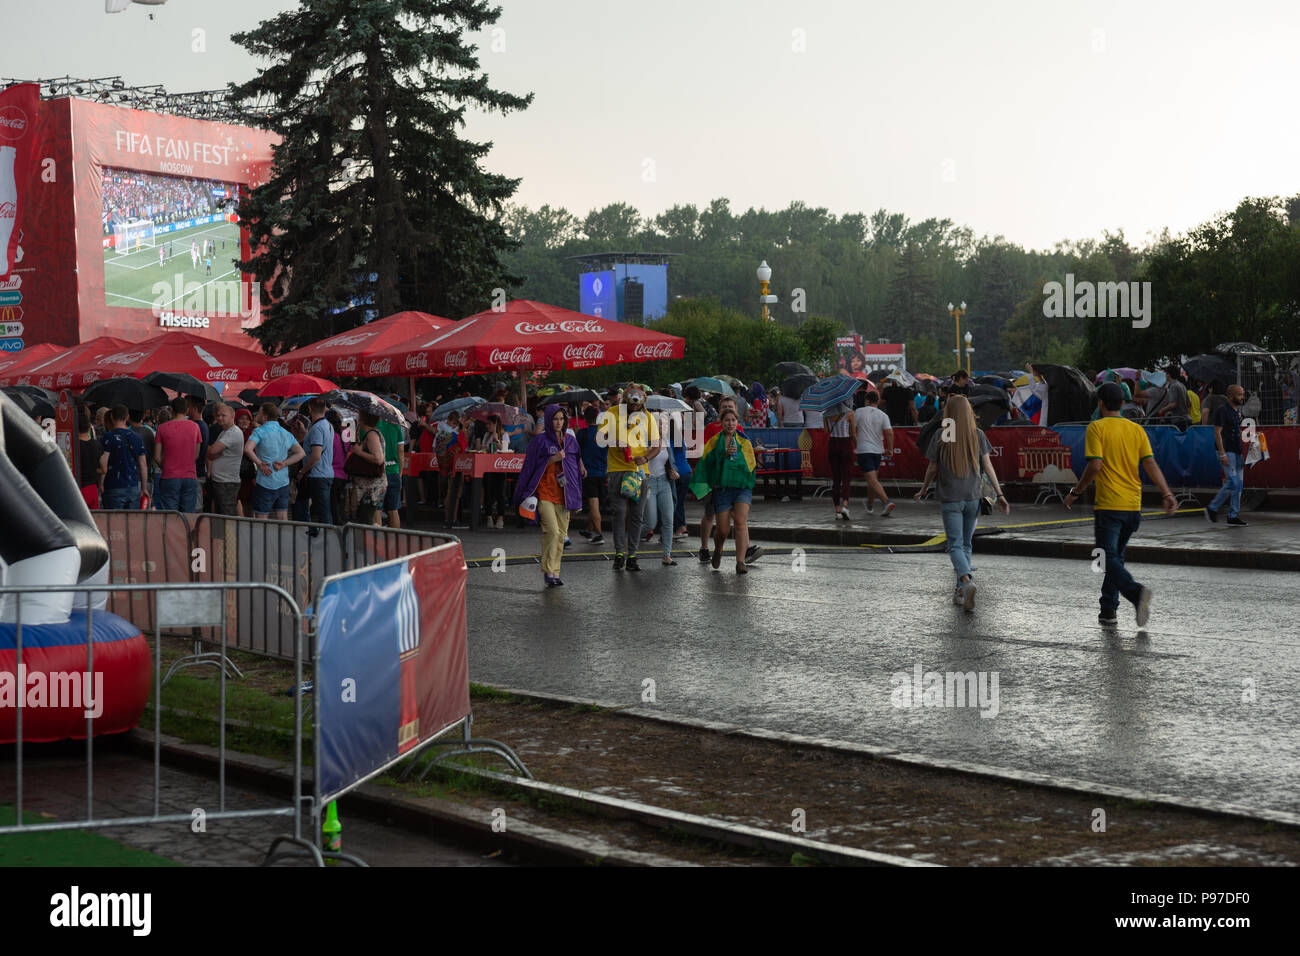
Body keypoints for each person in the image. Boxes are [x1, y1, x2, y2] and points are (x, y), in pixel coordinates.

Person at [1065, 382, 1179, 627]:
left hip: (1109, 505)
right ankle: (1108, 609)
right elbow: (1150, 464)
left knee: (1104, 558)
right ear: (1122, 404)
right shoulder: (1136, 430)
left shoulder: (1097, 427)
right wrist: (1166, 493)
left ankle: (1136, 593)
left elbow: (1094, 466)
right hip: (1132, 505)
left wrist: (1076, 491)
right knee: (1114, 558)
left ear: (1101, 404)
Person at [914, 394, 1009, 610]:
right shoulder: (977, 434)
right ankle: (960, 591)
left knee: (954, 544)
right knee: (966, 544)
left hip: (950, 498)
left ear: (948, 413)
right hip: (973, 498)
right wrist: (1000, 495)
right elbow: (988, 466)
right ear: (968, 413)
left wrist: (923, 489)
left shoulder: (942, 434)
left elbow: (931, 468)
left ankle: (966, 581)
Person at [514, 404, 582, 587]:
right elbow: (529, 466)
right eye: (555, 419)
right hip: (544, 493)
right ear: (549, 420)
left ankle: (554, 571)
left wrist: (580, 472)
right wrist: (551, 460)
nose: (559, 422)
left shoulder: (570, 441)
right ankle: (549, 570)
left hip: (565, 494)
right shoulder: (540, 441)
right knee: (551, 531)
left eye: (562, 419)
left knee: (561, 536)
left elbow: (576, 464)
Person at [696, 395, 764, 565]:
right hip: (720, 487)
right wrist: (723, 455)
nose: (731, 423)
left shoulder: (743, 438)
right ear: (721, 416)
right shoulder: (713, 436)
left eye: (733, 419)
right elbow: (706, 460)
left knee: (740, 521)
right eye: (727, 420)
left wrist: (740, 460)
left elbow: (750, 465)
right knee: (722, 528)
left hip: (740, 487)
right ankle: (714, 548)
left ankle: (740, 562)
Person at [601, 384, 658, 572]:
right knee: (619, 513)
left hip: (639, 471)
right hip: (617, 469)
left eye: (638, 402)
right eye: (632, 401)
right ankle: (619, 554)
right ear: (625, 398)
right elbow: (600, 438)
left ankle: (632, 555)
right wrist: (614, 440)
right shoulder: (613, 412)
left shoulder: (648, 417)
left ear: (643, 400)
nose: (634, 406)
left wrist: (646, 458)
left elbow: (657, 445)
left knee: (637, 515)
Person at [245, 403, 304, 520]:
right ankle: (283, 539)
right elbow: (301, 453)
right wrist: (284, 463)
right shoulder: (286, 433)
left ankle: (263, 539)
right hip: (282, 481)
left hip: (264, 481)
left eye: (259, 413)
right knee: (282, 518)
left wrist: (259, 463)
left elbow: (247, 449)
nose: (257, 415)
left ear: (265, 416)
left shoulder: (259, 431)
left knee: (261, 518)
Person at [1205, 383, 1248, 526]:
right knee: (1232, 482)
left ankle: (1233, 515)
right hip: (1227, 451)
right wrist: (1222, 453)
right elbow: (1217, 432)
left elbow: (1235, 431)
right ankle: (1212, 508)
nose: (1242, 397)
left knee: (1239, 485)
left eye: (1242, 394)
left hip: (1237, 451)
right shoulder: (1222, 410)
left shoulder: (1236, 411)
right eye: (1239, 394)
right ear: (1231, 396)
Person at [154, 396, 202, 513]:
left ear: (171, 410)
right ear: (187, 410)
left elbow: (156, 456)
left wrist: (165, 466)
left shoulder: (162, 428)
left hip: (169, 476)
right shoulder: (195, 427)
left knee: (170, 515)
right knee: (188, 515)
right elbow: (196, 454)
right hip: (190, 476)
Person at [853, 389, 895, 516]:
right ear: (877, 401)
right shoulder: (883, 415)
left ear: (867, 400)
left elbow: (852, 429)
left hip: (864, 450)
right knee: (872, 480)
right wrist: (890, 449)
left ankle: (886, 502)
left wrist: (856, 442)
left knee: (872, 480)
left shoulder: (858, 412)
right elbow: (889, 432)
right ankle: (870, 504)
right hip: (878, 451)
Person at [296, 397, 335, 526]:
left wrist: (302, 470)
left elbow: (316, 455)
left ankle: (324, 538)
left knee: (321, 512)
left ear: (310, 409)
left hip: (317, 475)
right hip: (325, 473)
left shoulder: (318, 427)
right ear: (325, 409)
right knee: (319, 509)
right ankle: (314, 533)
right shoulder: (328, 425)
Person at [100, 405, 149, 510]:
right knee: (131, 523)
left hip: (113, 486)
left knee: (114, 523)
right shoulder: (137, 437)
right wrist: (144, 488)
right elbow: (143, 465)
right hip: (133, 487)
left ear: (112, 417)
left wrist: (101, 483)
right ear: (127, 417)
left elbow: (104, 461)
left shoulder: (107, 437)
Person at [347, 410, 389, 525]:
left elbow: (378, 459)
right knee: (368, 518)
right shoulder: (371, 434)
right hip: (371, 485)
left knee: (366, 519)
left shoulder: (372, 435)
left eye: (359, 416)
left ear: (364, 419)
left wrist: (358, 452)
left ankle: (374, 541)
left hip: (372, 487)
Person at [642, 438, 679, 566]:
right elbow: (640, 459)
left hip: (664, 482)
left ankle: (667, 555)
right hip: (649, 483)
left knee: (669, 520)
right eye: (659, 423)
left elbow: (671, 462)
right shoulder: (643, 440)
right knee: (650, 523)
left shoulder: (667, 441)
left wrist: (674, 472)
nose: (662, 426)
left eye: (664, 423)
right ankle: (630, 538)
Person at [206, 403, 245, 516]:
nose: (219, 418)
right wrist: (212, 453)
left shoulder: (233, 433)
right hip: (222, 481)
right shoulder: (225, 432)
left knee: (227, 516)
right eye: (218, 415)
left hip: (227, 482)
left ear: (232, 416)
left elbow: (211, 451)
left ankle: (230, 535)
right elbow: (210, 453)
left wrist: (212, 452)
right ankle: (223, 534)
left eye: (223, 415)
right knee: (221, 515)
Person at [577, 405, 607, 545]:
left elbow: (576, 454)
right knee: (596, 504)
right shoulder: (604, 433)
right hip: (604, 473)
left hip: (588, 474)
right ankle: (588, 530)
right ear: (598, 415)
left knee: (594, 506)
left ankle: (599, 534)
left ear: (584, 418)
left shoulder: (581, 433)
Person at [434, 411, 468, 529]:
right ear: (455, 422)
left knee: (448, 493)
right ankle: (452, 520)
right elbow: (463, 446)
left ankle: (447, 519)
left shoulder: (441, 433)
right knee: (454, 493)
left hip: (443, 465)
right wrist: (463, 430)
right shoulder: (454, 434)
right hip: (454, 466)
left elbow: (435, 448)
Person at [477, 413, 511, 529]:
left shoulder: (504, 435)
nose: (487, 426)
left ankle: (501, 517)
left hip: (500, 466)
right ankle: (489, 516)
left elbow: (505, 450)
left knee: (500, 492)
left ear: (495, 424)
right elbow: (482, 448)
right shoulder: (487, 434)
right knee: (488, 492)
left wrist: (497, 440)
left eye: (490, 424)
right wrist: (485, 447)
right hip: (488, 466)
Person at [825, 399, 855, 521]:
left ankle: (837, 509)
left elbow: (826, 431)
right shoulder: (850, 413)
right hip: (845, 444)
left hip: (832, 444)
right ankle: (845, 506)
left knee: (836, 479)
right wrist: (857, 446)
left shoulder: (826, 414)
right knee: (846, 478)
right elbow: (853, 433)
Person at [377, 412, 405, 528]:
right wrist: (400, 472)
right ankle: (396, 540)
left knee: (376, 509)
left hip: (378, 472)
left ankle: (377, 541)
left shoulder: (371, 426)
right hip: (394, 471)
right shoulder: (396, 425)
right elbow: (401, 452)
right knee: (393, 510)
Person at [77, 403, 103, 509]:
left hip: (79, 487)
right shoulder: (97, 444)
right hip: (93, 488)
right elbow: (104, 469)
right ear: (89, 427)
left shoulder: (75, 446)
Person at [327, 409, 349, 525]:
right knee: (341, 503)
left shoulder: (331, 435)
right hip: (344, 473)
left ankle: (335, 528)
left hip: (332, 473)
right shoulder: (346, 433)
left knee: (333, 505)